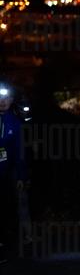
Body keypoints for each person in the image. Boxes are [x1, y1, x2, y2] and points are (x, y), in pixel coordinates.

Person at [0, 81, 27, 262]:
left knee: (5, 209)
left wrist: (20, 176)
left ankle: (4, 245)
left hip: (4, 176)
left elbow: (19, 153)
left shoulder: (15, 124)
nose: (3, 102)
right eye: (0, 98)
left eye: (7, 98)